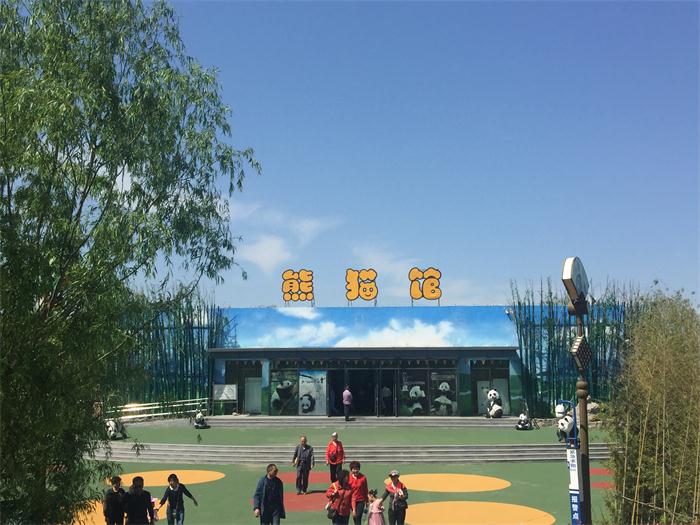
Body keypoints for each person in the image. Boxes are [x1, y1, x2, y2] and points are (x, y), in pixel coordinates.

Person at [348, 461, 368, 525]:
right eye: (354, 469)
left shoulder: (363, 478)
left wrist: (367, 500)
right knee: (355, 517)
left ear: (359, 469)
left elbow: (365, 489)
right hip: (351, 500)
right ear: (351, 470)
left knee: (358, 516)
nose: (355, 471)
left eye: (357, 469)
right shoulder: (348, 478)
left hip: (361, 500)